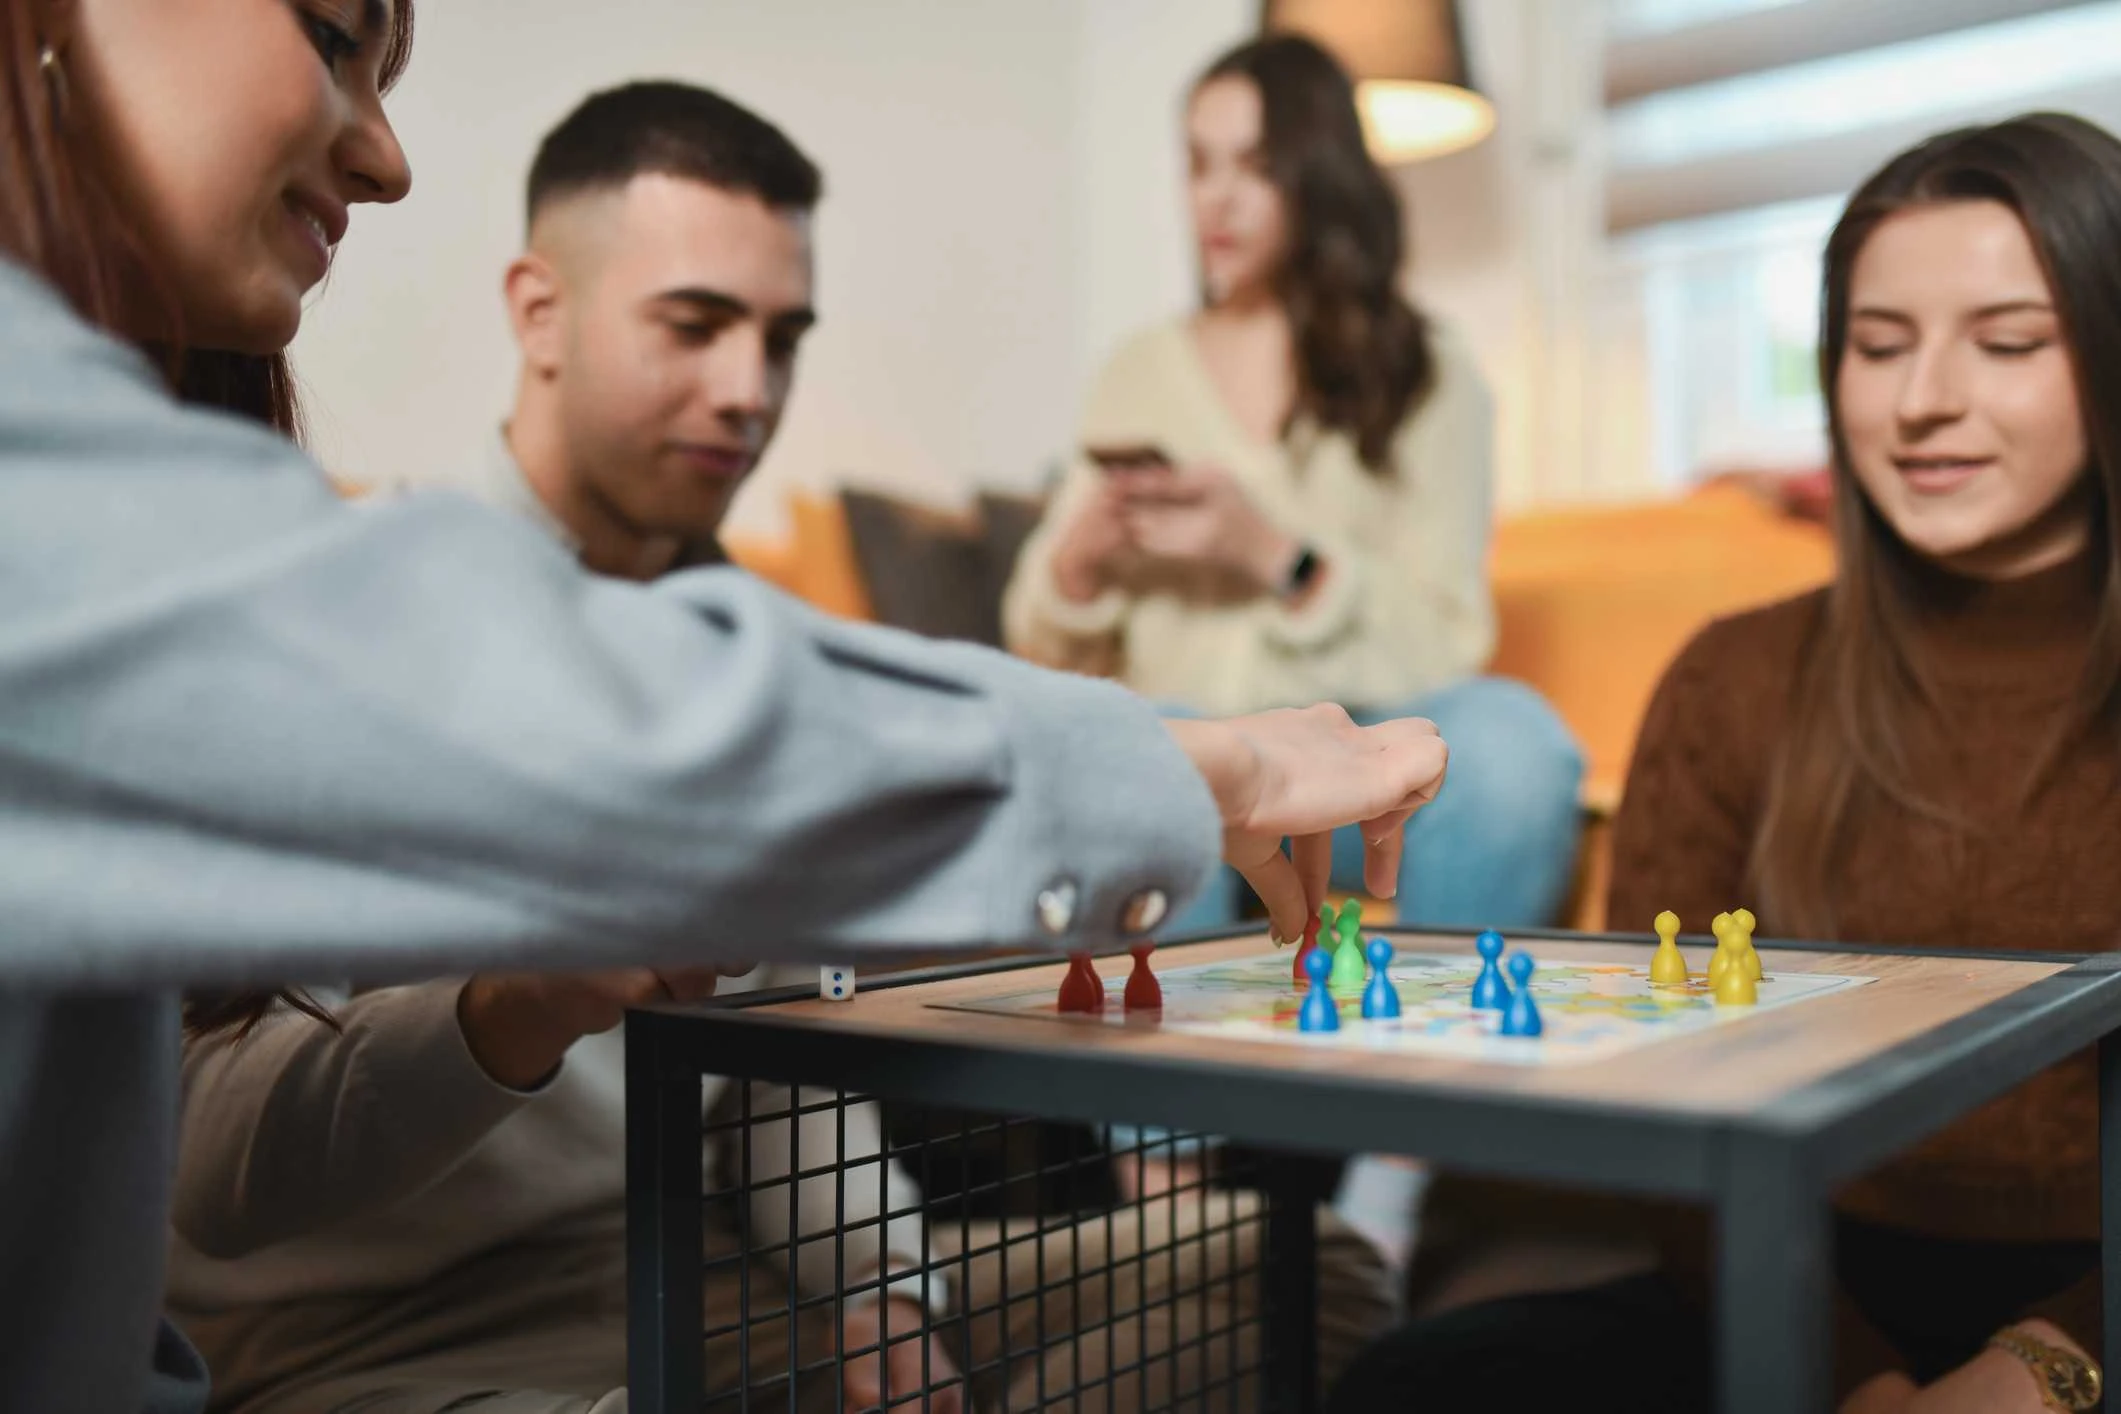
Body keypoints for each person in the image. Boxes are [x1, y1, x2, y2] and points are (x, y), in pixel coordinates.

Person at [0, 5, 1451, 1412]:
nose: (747, 392)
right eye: (327, 35)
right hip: (408, 1341)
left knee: (1290, 1267)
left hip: (690, 1287)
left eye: (782, 337)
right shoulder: (302, 607)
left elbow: (770, 1052)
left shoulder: (703, 638)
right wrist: (508, 1009)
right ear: (539, 314)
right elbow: (217, 1152)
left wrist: (884, 1285)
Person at [1328, 111, 2121, 1414]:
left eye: (2008, 341)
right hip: (1792, 1265)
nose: (1922, 398)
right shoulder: (1733, 677)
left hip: (2091, 1295)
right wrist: (1853, 1378)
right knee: (1418, 1383)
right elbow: (1669, 1102)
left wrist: (2043, 1366)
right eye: (1877, 345)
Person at [1003, 32, 1583, 936]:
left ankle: (1447, 1060)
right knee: (1143, 750)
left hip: (1345, 769)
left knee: (1515, 743)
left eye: (1255, 167)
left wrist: (1274, 555)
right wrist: (1076, 563)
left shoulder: (1429, 373)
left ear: (1317, 179)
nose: (1215, 198)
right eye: (1197, 165)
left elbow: (1446, 638)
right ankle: (1176, 1069)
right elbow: (1043, 664)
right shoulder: (1138, 370)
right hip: (1187, 752)